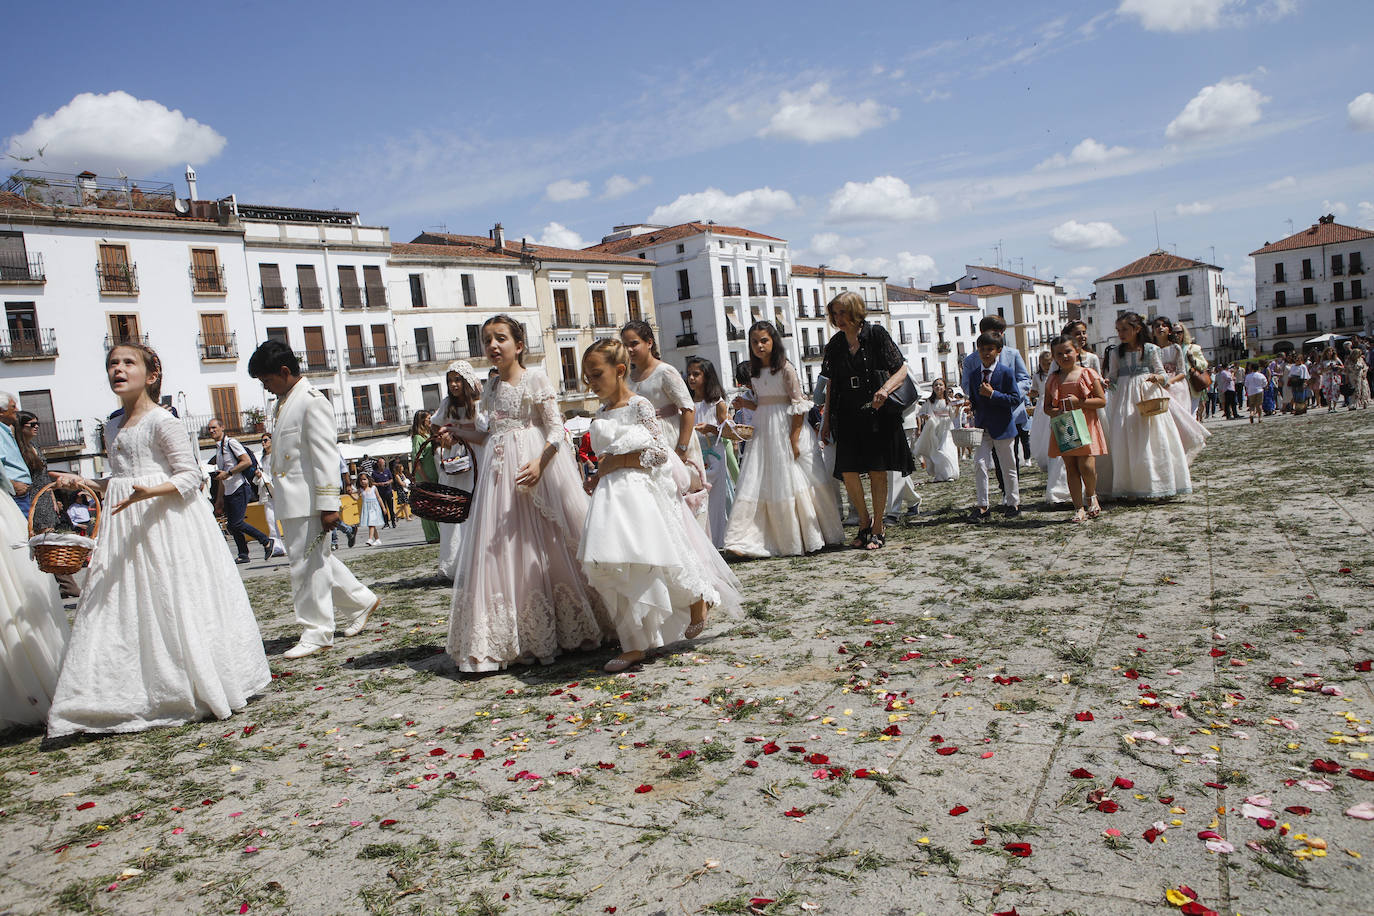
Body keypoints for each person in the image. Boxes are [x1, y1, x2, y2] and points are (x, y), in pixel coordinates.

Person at [46, 343, 270, 736]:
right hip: (125, 525)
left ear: (150, 375)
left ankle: (189, 681)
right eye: (112, 363)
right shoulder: (113, 426)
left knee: (172, 599)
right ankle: (126, 689)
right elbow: (116, 480)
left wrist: (149, 491)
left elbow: (189, 476)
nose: (118, 369)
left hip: (167, 524)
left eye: (127, 363)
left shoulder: (164, 421)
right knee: (125, 603)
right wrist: (82, 482)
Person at [445, 315, 609, 673]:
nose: (492, 346)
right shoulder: (488, 387)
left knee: (546, 544)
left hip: (536, 469)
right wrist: (456, 433)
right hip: (498, 475)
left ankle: (568, 627)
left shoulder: (535, 378)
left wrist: (540, 463)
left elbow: (556, 430)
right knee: (501, 551)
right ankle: (513, 634)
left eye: (500, 338)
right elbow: (489, 435)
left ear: (518, 345)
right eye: (487, 339)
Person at [578, 340, 741, 672]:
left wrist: (618, 461)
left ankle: (695, 598)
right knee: (615, 564)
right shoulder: (601, 412)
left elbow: (659, 453)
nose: (591, 383)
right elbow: (605, 456)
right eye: (587, 377)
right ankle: (634, 643)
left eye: (596, 375)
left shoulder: (639, 405)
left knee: (649, 562)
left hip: (638, 494)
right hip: (609, 497)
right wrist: (599, 475)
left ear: (619, 370)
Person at [248, 341, 378, 660]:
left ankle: (317, 630)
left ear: (284, 371)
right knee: (316, 560)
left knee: (307, 565)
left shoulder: (311, 401)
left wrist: (329, 505)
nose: (266, 387)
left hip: (310, 503)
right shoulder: (283, 403)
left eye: (267, 380)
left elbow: (324, 456)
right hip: (291, 500)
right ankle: (361, 600)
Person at [724, 321, 843, 557]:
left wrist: (794, 438)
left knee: (792, 479)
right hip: (763, 428)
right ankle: (747, 537)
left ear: (773, 341)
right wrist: (744, 403)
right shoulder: (755, 372)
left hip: (786, 427)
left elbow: (798, 406)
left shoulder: (786, 369)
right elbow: (762, 403)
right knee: (760, 480)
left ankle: (801, 535)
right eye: (755, 341)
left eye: (764, 340)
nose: (759, 345)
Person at [818, 291, 914, 550]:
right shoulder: (835, 345)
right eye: (834, 313)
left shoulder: (876, 335)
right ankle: (864, 520)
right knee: (848, 471)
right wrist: (826, 421)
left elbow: (901, 369)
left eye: (842, 312)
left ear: (855, 311)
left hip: (876, 411)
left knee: (876, 470)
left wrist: (885, 390)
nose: (838, 318)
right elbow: (830, 385)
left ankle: (879, 526)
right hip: (846, 412)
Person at [1097, 313, 1192, 500]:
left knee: (1152, 436)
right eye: (1118, 330)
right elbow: (1114, 377)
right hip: (1124, 398)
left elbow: (1163, 374)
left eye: (1124, 329)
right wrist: (1107, 382)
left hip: (1147, 395)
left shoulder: (1151, 349)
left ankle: (1157, 483)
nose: (1121, 333)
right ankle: (1130, 485)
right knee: (1125, 437)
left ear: (1137, 329)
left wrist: (1157, 378)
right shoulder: (1116, 352)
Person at [623, 320, 707, 527]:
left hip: (670, 436)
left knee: (681, 494)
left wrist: (682, 448)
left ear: (649, 342)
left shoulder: (665, 372)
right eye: (625, 345)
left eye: (634, 343)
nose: (629, 349)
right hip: (644, 441)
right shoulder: (628, 378)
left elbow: (688, 408)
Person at [961, 316, 1031, 501]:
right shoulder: (971, 361)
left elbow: (1025, 380)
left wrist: (1003, 394)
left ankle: (1009, 495)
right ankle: (992, 498)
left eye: (999, 333)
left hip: (1010, 413)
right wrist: (978, 399)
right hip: (984, 417)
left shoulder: (1012, 354)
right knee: (983, 462)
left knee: (1009, 459)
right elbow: (967, 385)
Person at [1044, 334, 1108, 522]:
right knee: (1071, 467)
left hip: (1085, 424)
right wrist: (1055, 411)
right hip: (1065, 426)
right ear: (1054, 357)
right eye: (1059, 354)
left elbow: (1101, 400)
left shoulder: (1087, 374)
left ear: (1077, 351)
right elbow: (1047, 407)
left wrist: (1079, 402)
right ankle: (1078, 507)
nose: (1064, 356)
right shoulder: (1053, 380)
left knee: (1086, 465)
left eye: (1068, 351)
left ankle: (1091, 496)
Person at [434, 360, 486, 581]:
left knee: (478, 508)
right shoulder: (447, 404)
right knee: (456, 510)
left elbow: (485, 429)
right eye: (450, 380)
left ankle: (479, 561)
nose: (454, 384)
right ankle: (454, 564)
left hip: (478, 456)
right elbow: (435, 427)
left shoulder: (479, 402)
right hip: (456, 460)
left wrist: (459, 430)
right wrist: (443, 440)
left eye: (457, 380)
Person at [207, 417, 277, 564]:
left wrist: (230, 473)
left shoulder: (231, 443)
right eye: (210, 429)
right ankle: (243, 554)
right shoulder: (219, 449)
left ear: (222, 428)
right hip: (228, 491)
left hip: (239, 487)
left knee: (237, 523)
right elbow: (222, 476)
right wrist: (219, 499)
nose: (212, 431)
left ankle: (266, 541)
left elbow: (247, 461)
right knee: (232, 525)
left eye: (214, 427)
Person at [686, 356, 735, 549]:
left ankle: (718, 539)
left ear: (707, 376)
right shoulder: (687, 404)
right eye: (689, 374)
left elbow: (729, 431)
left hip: (714, 452)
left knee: (716, 499)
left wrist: (711, 428)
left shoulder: (717, 403)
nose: (691, 378)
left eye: (696, 374)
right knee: (695, 496)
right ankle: (700, 540)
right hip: (694, 455)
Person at [1148, 318, 1209, 462]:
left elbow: (1182, 371)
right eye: (1157, 326)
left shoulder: (1175, 348)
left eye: (1164, 325)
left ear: (1169, 329)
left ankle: (1182, 450)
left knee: (1179, 420)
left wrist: (1170, 381)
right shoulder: (1151, 350)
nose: (1160, 328)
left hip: (1176, 387)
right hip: (1158, 387)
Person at [1028, 352, 1071, 505]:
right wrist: (1031, 394)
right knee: (1041, 432)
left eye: (1048, 362)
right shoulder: (1037, 376)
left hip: (1054, 403)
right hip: (1042, 406)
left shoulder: (1055, 374)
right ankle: (1044, 456)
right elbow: (1034, 390)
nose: (1046, 365)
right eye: (1043, 362)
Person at [912, 378, 961, 482]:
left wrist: (957, 408)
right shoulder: (929, 402)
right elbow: (920, 413)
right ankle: (941, 474)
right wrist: (925, 416)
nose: (938, 387)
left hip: (947, 428)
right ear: (933, 388)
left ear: (944, 387)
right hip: (935, 429)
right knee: (937, 451)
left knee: (947, 449)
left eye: (940, 385)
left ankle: (951, 473)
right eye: (936, 385)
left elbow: (953, 416)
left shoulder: (949, 401)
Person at [409, 410, 441, 544]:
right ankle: (432, 535)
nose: (430, 421)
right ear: (422, 421)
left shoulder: (429, 435)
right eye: (428, 419)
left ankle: (439, 533)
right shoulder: (418, 438)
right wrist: (425, 478)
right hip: (425, 477)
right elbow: (417, 461)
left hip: (433, 475)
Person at [0, 393, 33, 516]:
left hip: (20, 495)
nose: (17, 410)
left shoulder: (5, 431)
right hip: (14, 496)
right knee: (21, 533)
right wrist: (12, 485)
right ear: (1, 412)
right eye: (13, 407)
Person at [358, 474, 384, 546]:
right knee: (371, 524)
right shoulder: (360, 490)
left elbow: (379, 498)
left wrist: (383, 507)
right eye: (361, 480)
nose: (363, 481)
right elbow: (356, 497)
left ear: (368, 480)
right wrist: (351, 494)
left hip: (374, 508)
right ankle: (377, 539)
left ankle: (370, 539)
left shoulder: (373, 488)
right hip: (366, 508)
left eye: (364, 479)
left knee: (371, 524)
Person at [371, 460, 395, 529]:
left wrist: (388, 482)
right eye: (381, 464)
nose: (382, 465)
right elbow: (372, 482)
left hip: (388, 492)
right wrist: (379, 484)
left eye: (383, 463)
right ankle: (386, 523)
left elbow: (391, 479)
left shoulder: (387, 471)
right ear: (378, 464)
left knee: (391, 508)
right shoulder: (374, 473)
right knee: (383, 508)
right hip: (380, 493)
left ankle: (393, 522)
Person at [1319, 347, 1344, 412]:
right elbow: (1320, 370)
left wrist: (1337, 367)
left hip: (1335, 377)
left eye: (1331, 351)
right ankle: (1329, 407)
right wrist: (1327, 368)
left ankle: (1335, 407)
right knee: (1327, 392)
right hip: (1326, 377)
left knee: (1335, 391)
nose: (1329, 353)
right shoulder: (1323, 361)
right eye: (1328, 352)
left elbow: (1342, 367)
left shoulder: (1336, 359)